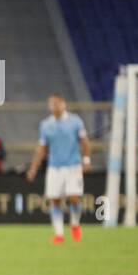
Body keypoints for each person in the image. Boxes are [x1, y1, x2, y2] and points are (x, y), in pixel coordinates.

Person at [26, 93, 90, 244]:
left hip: (73, 166)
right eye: (51, 104)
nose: (53, 106)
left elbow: (84, 142)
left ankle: (75, 224)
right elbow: (41, 148)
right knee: (55, 200)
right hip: (55, 168)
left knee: (74, 198)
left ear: (63, 104)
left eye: (56, 103)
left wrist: (86, 160)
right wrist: (33, 168)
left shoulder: (75, 121)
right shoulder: (46, 125)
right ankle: (59, 234)